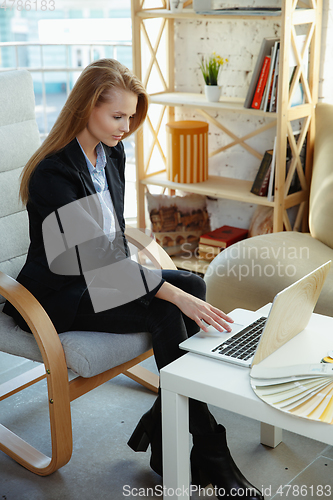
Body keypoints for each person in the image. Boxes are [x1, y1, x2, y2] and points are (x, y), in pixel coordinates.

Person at [3, 59, 263, 500]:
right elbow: (93, 257)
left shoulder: (110, 153)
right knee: (171, 304)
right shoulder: (53, 173)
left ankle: (164, 431)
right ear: (86, 107)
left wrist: (171, 288)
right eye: (117, 116)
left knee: (192, 286)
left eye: (130, 116)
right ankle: (209, 448)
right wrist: (167, 293)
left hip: (103, 277)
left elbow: (115, 240)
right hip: (57, 295)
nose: (126, 127)